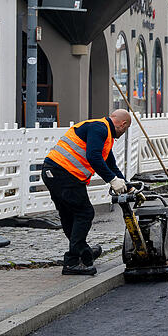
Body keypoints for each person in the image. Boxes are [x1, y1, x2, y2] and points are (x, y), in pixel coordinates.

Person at [42, 110, 132, 275]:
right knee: (84, 213)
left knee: (70, 215)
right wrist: (112, 180)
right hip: (63, 174)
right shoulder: (100, 128)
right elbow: (94, 157)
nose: (122, 134)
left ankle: (83, 253)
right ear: (123, 124)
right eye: (124, 131)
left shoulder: (104, 134)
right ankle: (72, 262)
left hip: (58, 174)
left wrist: (127, 185)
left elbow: (110, 164)